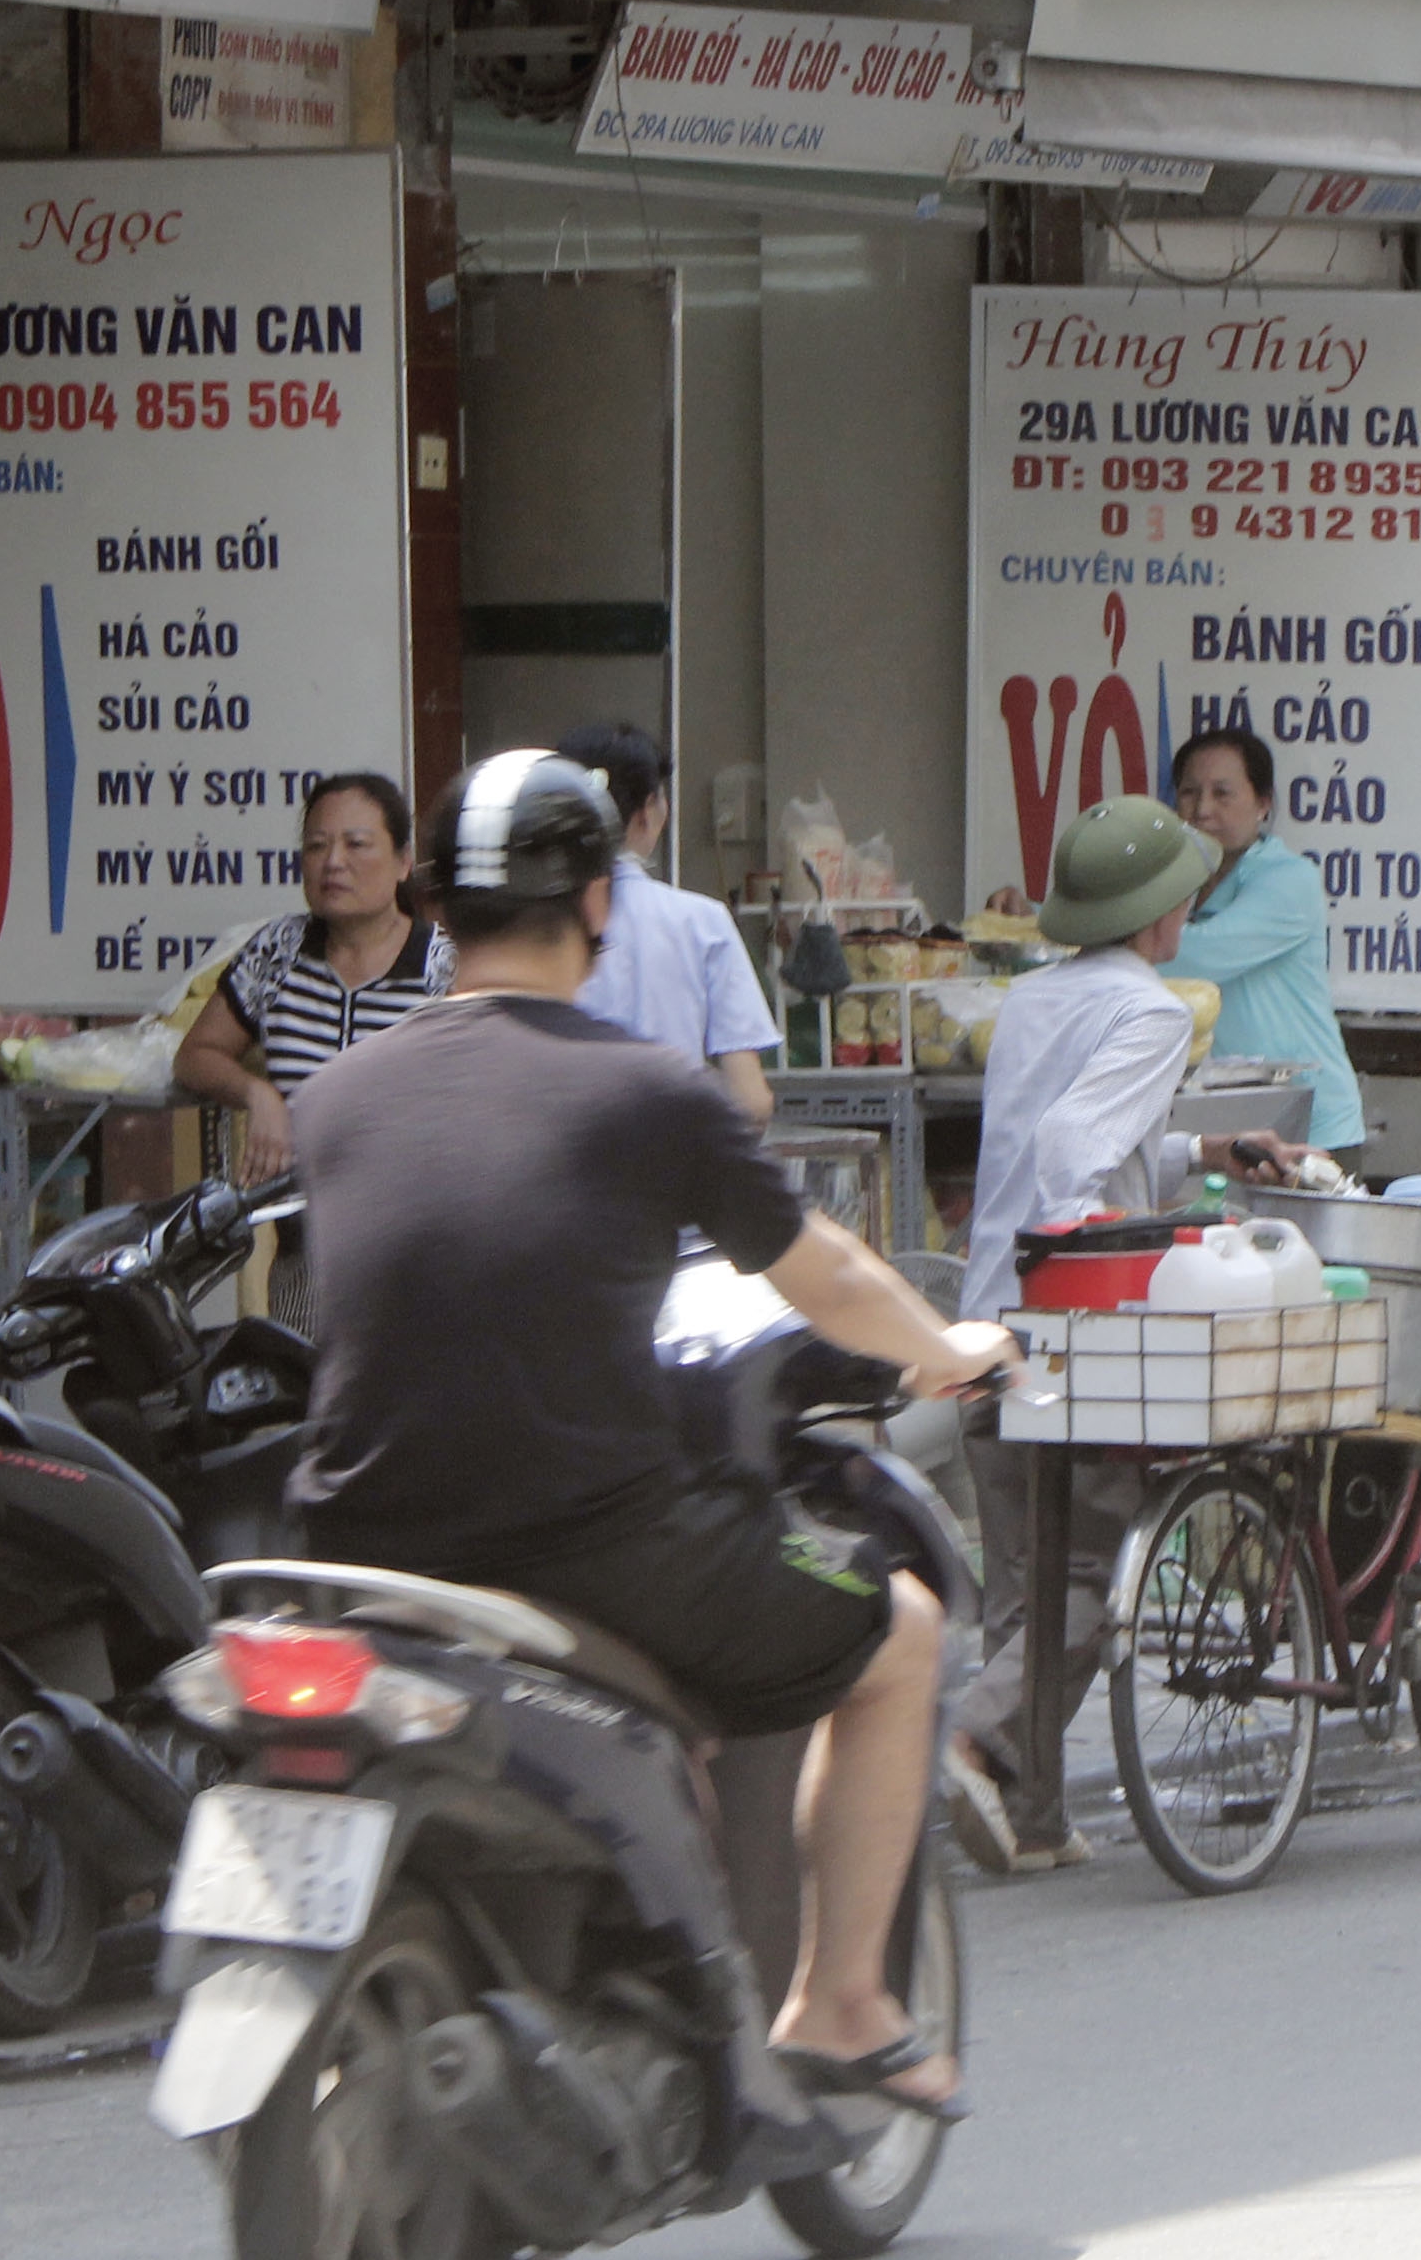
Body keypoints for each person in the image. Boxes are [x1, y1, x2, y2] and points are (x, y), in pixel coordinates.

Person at [285, 752, 1015, 2117]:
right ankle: (844, 2001)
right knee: (900, 1635)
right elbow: (830, 1278)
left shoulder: (337, 1098)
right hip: (584, 1549)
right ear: (602, 906)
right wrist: (951, 1349)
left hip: (354, 1547)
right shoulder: (647, 1093)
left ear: (436, 910)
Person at [946, 794, 1298, 1865]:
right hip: (1069, 1335)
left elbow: (1084, 1133)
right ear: (1163, 913)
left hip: (985, 1317)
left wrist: (1201, 1153)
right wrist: (1118, 1237)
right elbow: (1068, 1149)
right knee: (1098, 1576)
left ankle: (1037, 1819)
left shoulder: (1036, 998)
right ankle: (972, 1739)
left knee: (1026, 1584)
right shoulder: (1150, 1011)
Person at [170, 773, 448, 1183]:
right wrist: (257, 1094)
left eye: (356, 844)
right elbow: (195, 1056)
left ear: (403, 861)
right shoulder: (278, 950)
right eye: (317, 845)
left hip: (409, 1216)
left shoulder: (442, 967)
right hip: (299, 1218)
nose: (333, 862)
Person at [556, 720, 779, 1124]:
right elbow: (751, 1100)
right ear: (649, 812)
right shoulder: (703, 922)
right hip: (673, 1163)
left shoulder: (529, 923)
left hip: (560, 1164)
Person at [1162, 726, 1366, 1168]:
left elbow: (1193, 955)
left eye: (1223, 793)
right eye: (1189, 793)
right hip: (1226, 1126)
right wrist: (1028, 915)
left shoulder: (1290, 880)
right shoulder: (1179, 885)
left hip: (1311, 1127)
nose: (1202, 809)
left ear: (1263, 804)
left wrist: (1063, 933)